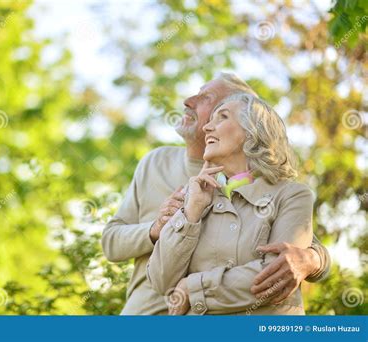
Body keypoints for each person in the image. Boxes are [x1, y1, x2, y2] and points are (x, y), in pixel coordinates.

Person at [102, 73, 330, 315]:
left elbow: (294, 252)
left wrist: (315, 259)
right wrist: (157, 228)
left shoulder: (279, 192)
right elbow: (113, 243)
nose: (188, 101)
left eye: (207, 99)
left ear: (251, 126)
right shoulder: (158, 164)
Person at [147, 92, 316, 315]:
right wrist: (191, 214)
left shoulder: (292, 195)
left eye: (222, 117)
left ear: (253, 132)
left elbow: (275, 277)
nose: (207, 128)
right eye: (210, 121)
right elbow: (161, 281)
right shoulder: (194, 196)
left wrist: (193, 288)